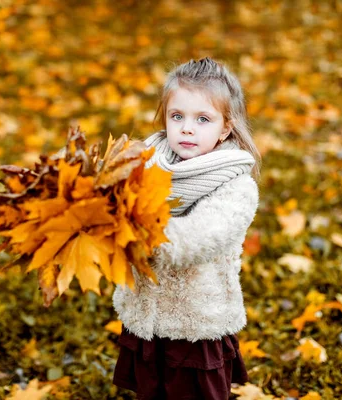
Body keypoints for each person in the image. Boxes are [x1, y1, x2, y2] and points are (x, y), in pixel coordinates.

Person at [112, 57, 262, 400]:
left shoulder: (235, 186)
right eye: (177, 116)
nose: (187, 128)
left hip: (196, 324)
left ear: (225, 128)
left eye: (203, 119)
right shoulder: (144, 164)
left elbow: (200, 238)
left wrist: (141, 232)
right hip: (146, 315)